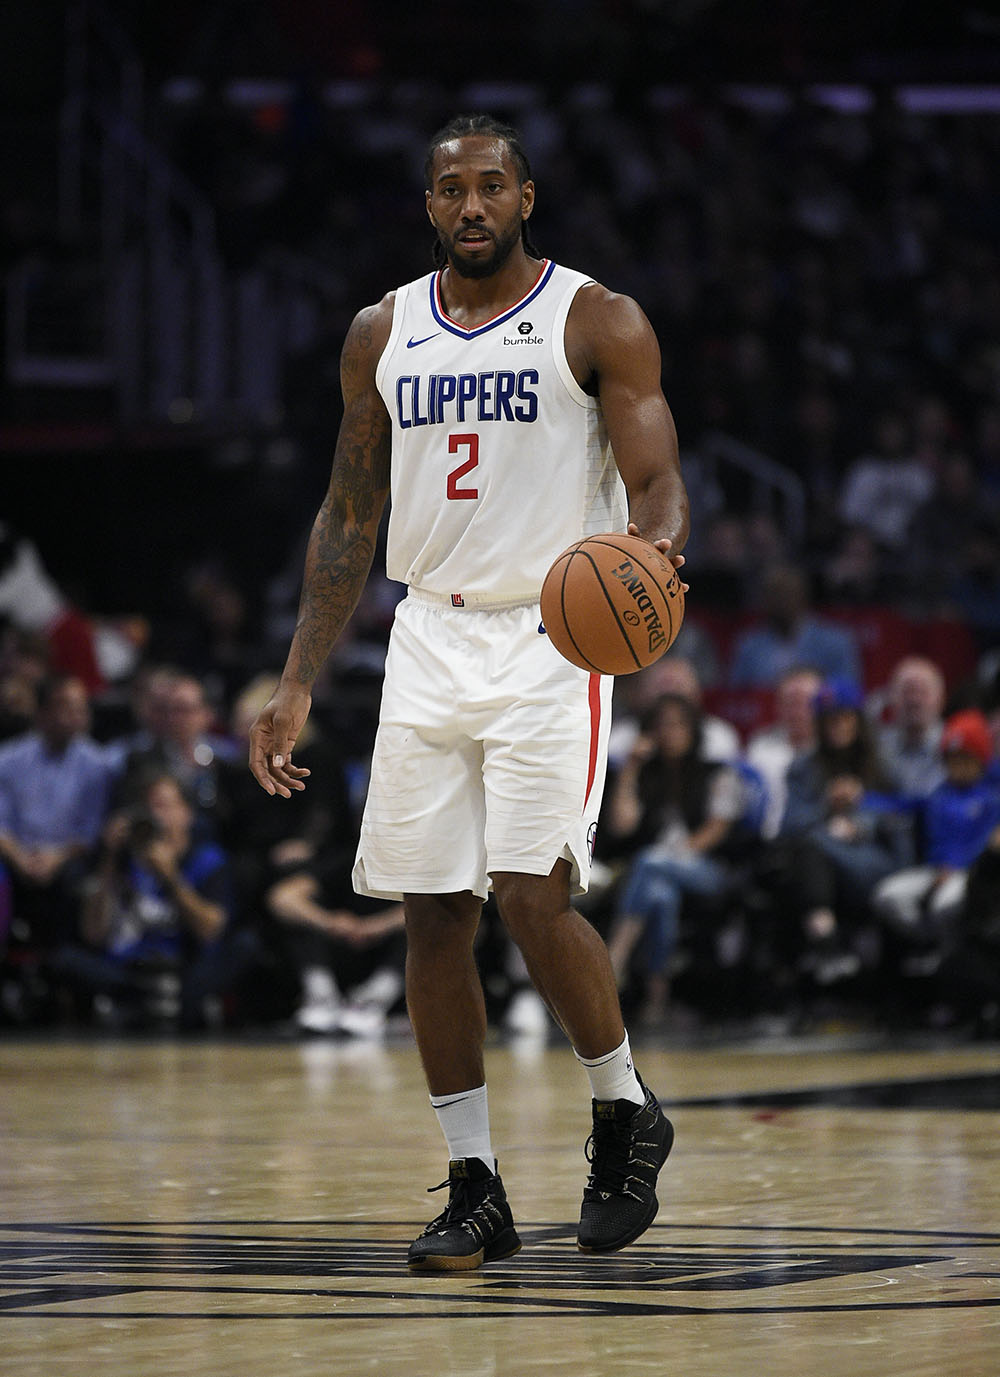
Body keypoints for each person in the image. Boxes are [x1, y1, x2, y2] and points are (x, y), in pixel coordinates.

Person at [249, 113, 688, 1271]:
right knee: (432, 911)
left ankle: (622, 1108)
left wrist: (651, 557)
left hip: (555, 634)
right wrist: (298, 679)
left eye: (493, 186)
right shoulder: (382, 332)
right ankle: (476, 1186)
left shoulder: (597, 318)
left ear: (527, 196)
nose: (473, 206)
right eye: (453, 191)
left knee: (532, 898)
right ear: (430, 205)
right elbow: (348, 516)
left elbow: (657, 483)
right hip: (429, 637)